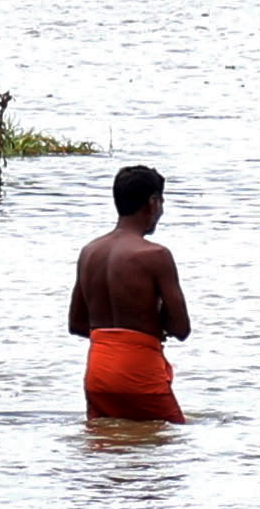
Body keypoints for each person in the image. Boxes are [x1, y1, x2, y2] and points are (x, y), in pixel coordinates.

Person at [68, 165, 192, 422]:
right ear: (153, 203)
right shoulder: (156, 255)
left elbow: (77, 324)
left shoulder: (90, 252)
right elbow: (181, 328)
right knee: (168, 439)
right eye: (161, 202)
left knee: (106, 441)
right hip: (139, 371)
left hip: (98, 372)